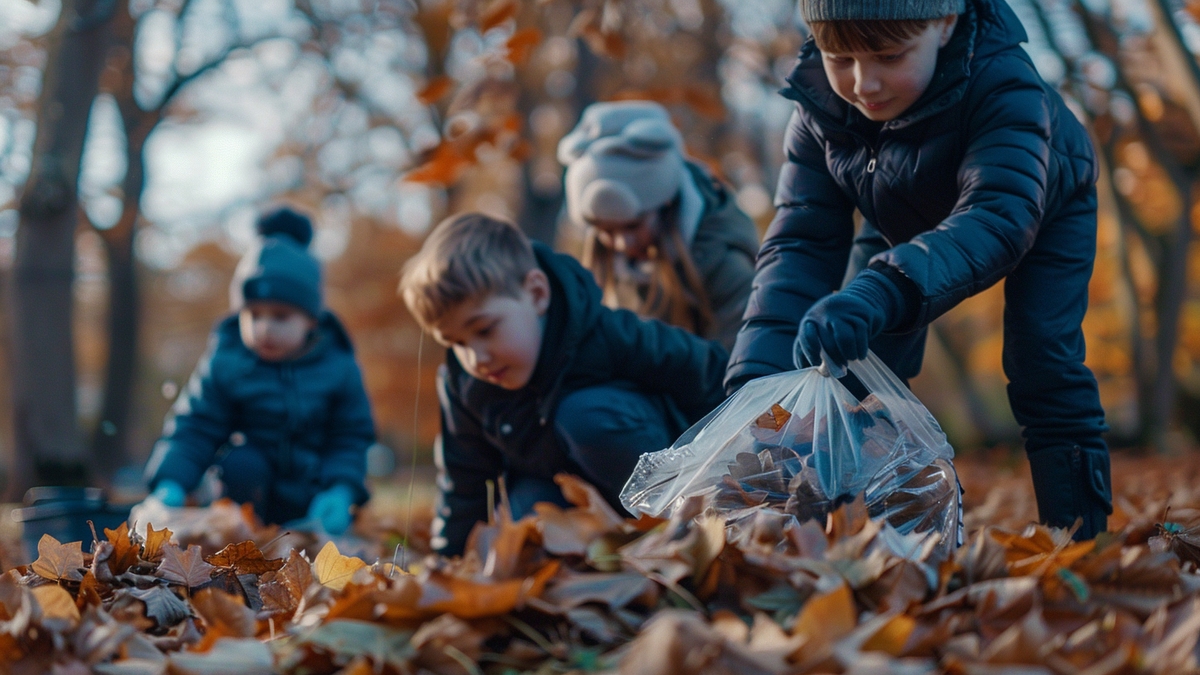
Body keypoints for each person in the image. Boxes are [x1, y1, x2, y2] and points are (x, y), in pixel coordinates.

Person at [725, 0, 1112, 539]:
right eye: (841, 58)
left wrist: (884, 289)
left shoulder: (1004, 83)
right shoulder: (818, 105)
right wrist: (757, 388)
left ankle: (1081, 539)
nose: (864, 84)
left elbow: (998, 217)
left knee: (1041, 362)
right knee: (855, 370)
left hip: (1037, 203)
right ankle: (866, 533)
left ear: (945, 22)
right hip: (901, 216)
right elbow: (800, 242)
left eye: (888, 55)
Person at [400, 213, 728, 556]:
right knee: (525, 515)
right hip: (559, 490)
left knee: (585, 417)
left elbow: (703, 372)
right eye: (457, 343)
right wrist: (448, 560)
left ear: (537, 294)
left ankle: (678, 535)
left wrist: (728, 462)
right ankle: (592, 565)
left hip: (650, 470)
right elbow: (464, 478)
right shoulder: (464, 385)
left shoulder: (606, 334)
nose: (476, 358)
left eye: (484, 330)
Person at [141, 207, 375, 535]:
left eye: (280, 316)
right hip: (246, 495)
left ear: (310, 319)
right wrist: (171, 482)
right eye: (253, 315)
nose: (264, 329)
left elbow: (349, 436)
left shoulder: (337, 366)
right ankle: (242, 551)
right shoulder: (227, 361)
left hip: (312, 496)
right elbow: (196, 425)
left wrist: (342, 489)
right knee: (241, 462)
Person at [558, 100, 760, 351]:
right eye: (605, 231)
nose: (622, 243)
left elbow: (741, 362)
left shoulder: (722, 265)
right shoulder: (609, 272)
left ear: (666, 204)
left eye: (633, 225)